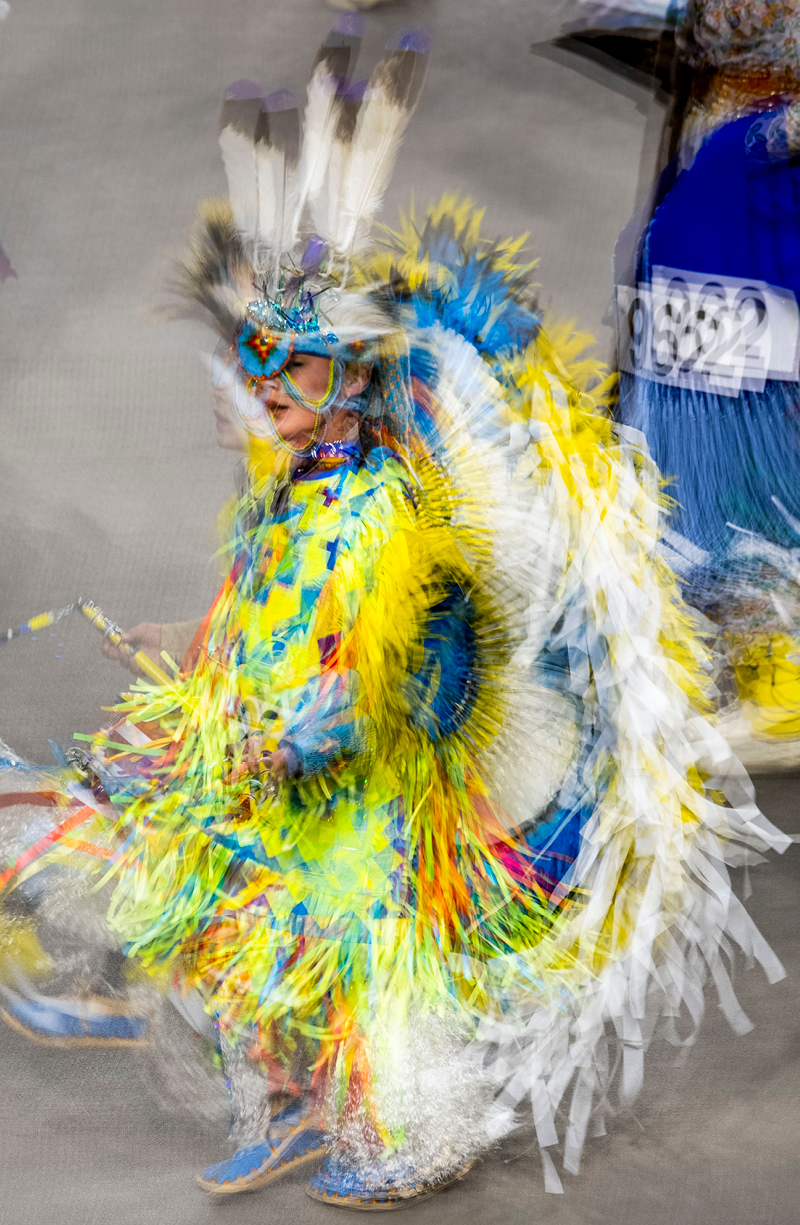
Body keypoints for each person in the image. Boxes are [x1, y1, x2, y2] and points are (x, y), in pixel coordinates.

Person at [0, 17, 789, 1208]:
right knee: (189, 828)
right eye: (242, 364)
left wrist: (300, 730)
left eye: (283, 369)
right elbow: (270, 625)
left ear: (343, 378)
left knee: (324, 909)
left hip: (426, 816)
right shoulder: (296, 488)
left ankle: (396, 1114)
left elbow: (417, 682)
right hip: (320, 769)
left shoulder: (401, 511)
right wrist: (209, 660)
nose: (248, 391)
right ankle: (268, 1078)